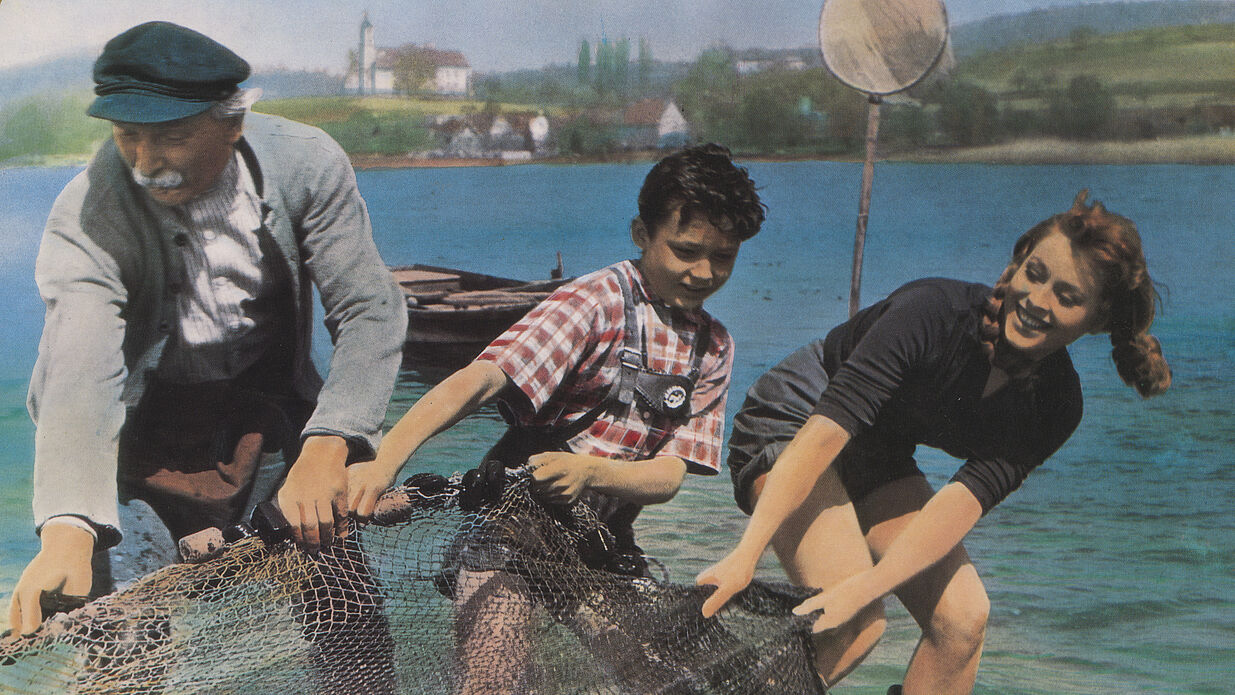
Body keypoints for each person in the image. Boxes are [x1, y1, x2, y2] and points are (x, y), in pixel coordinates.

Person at [7, 20, 407, 649]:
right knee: (124, 643)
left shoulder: (307, 162)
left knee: (342, 612)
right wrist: (67, 526)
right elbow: (79, 369)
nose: (146, 164)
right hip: (140, 444)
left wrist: (330, 444)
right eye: (127, 135)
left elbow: (368, 309)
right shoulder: (87, 213)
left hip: (270, 421)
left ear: (232, 123)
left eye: (172, 136)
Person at [696, 191, 1171, 695]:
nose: (1037, 301)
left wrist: (869, 584)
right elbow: (822, 437)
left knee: (962, 621)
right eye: (1034, 274)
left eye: (1067, 297)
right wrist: (745, 556)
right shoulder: (933, 311)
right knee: (853, 626)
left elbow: (955, 508)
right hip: (795, 421)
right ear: (1017, 264)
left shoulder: (1055, 405)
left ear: (1098, 319)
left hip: (877, 451)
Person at [346, 143, 766, 693]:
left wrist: (591, 473)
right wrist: (383, 464)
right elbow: (480, 381)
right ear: (642, 233)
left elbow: (668, 476)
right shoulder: (594, 301)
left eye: (724, 257)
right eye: (686, 251)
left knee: (666, 681)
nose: (704, 272)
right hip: (511, 534)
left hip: (600, 546)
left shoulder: (714, 347)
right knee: (492, 684)